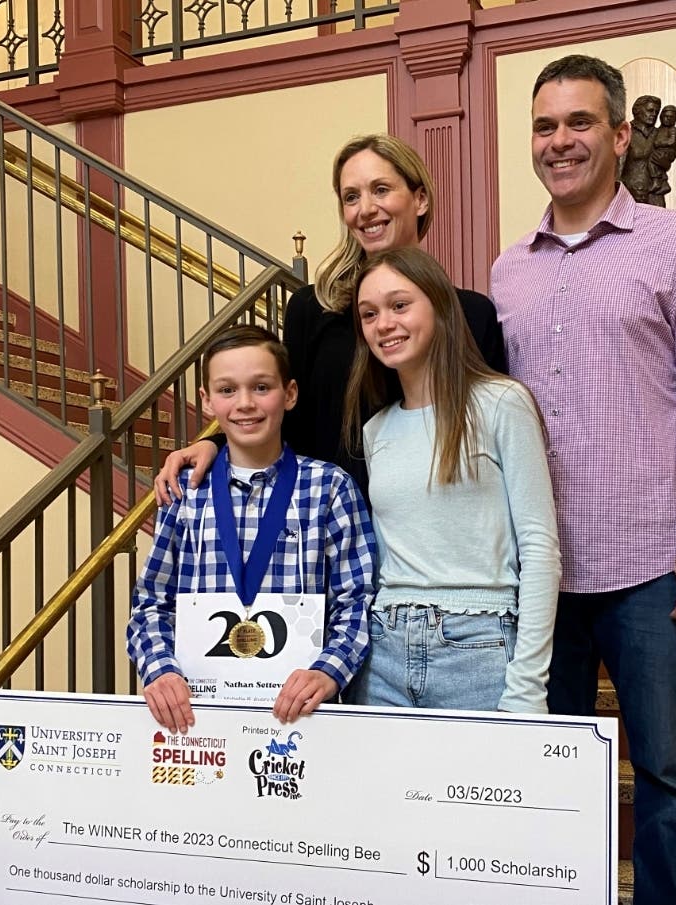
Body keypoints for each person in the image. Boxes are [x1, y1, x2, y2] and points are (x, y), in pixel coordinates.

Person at [491, 55, 676, 905]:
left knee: (669, 775)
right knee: (553, 772)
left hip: (652, 563)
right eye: (544, 126)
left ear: (619, 133)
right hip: (542, 571)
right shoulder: (508, 271)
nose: (559, 142)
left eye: (578, 123)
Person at [154, 134, 506, 501]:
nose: (365, 209)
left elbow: (493, 433)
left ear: (420, 199)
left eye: (381, 190)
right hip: (330, 527)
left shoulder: (472, 315)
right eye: (351, 197)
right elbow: (287, 415)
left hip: (434, 529)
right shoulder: (312, 309)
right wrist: (217, 443)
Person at [127, 325, 376, 733]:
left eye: (261, 387)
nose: (245, 403)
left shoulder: (329, 489)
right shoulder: (185, 492)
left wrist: (329, 671)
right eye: (227, 390)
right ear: (207, 401)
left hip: (304, 718)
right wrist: (160, 671)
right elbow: (152, 603)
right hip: (202, 719)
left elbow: (357, 601)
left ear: (290, 394)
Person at [344, 247, 560, 713]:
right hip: (382, 650)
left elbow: (540, 550)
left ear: (441, 307)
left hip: (478, 647)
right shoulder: (375, 429)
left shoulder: (502, 403)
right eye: (369, 314)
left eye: (400, 305)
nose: (384, 324)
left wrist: (527, 687)